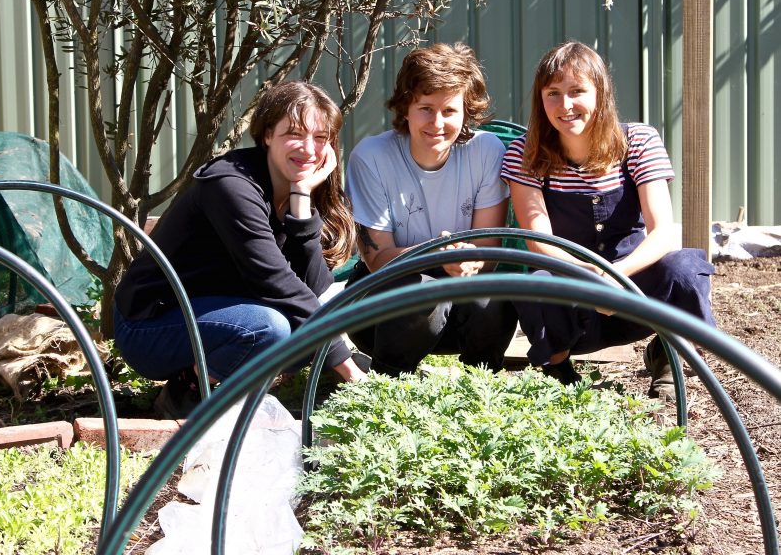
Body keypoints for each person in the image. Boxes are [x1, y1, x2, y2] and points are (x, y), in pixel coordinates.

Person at [113, 81, 368, 418]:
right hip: (150, 325)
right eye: (294, 133)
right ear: (266, 135)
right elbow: (275, 282)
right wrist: (347, 369)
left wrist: (302, 199)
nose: (309, 149)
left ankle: (219, 379)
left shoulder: (294, 188)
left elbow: (314, 289)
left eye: (320, 138)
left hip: (212, 316)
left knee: (299, 327)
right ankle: (187, 389)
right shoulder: (231, 185)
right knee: (271, 328)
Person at [501, 41, 716, 399]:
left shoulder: (639, 141)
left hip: (635, 291)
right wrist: (592, 279)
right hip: (574, 297)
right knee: (536, 281)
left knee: (684, 269)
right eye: (553, 93)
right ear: (540, 98)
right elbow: (539, 242)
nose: (565, 105)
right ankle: (557, 366)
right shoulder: (525, 153)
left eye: (577, 91)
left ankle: (667, 354)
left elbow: (664, 232)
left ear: (600, 93)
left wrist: (615, 277)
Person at [344, 42, 517, 376]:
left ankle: (481, 389)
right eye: (425, 108)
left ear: (467, 111)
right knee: (422, 290)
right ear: (405, 107)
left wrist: (470, 258)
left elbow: (489, 250)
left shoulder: (486, 151)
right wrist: (439, 254)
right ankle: (388, 387)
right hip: (381, 307)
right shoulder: (371, 156)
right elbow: (377, 260)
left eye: (449, 110)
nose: (437, 123)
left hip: (461, 298)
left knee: (496, 295)